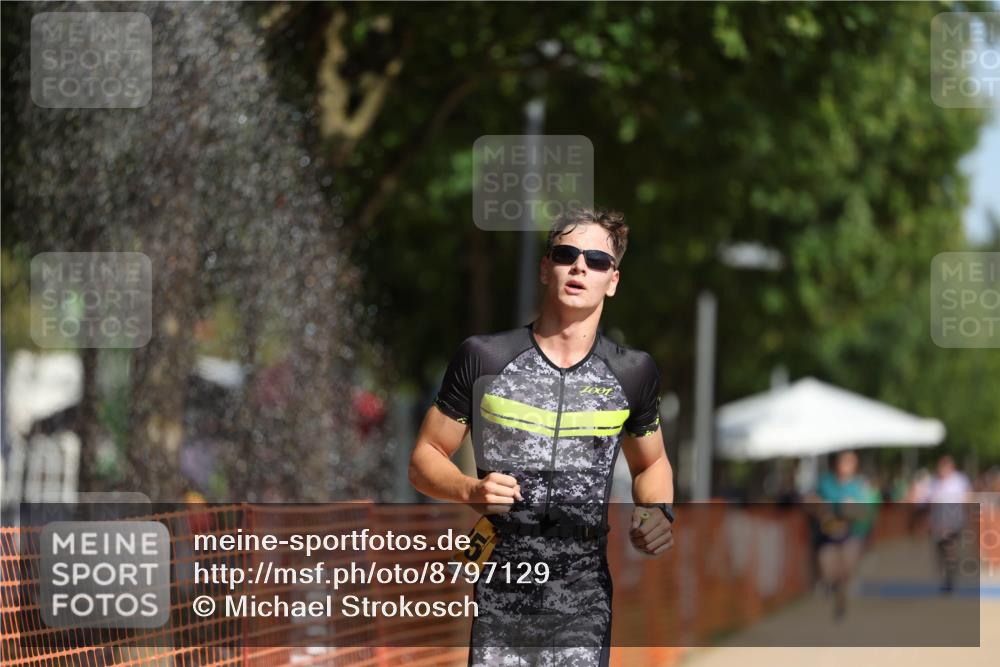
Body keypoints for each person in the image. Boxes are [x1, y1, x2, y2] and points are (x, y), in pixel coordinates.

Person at [408, 207, 675, 667]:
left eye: (596, 260)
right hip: (502, 575)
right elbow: (424, 459)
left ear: (613, 280)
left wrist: (657, 513)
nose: (579, 267)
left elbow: (651, 463)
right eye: (566, 254)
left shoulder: (633, 372)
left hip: (583, 588)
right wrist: (470, 489)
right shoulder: (484, 358)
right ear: (545, 267)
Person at [806, 450, 876, 620]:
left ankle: (841, 597)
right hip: (827, 534)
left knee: (847, 569)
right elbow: (810, 500)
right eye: (844, 462)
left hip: (851, 534)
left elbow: (867, 512)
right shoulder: (825, 482)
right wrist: (820, 507)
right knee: (827, 568)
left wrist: (852, 508)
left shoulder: (859, 485)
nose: (846, 466)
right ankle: (831, 587)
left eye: (850, 462)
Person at [914, 455, 973, 593]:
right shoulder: (934, 482)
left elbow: (968, 497)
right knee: (939, 550)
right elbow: (924, 499)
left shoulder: (959, 480)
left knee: (949, 545)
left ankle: (950, 572)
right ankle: (947, 573)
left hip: (954, 518)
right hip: (938, 520)